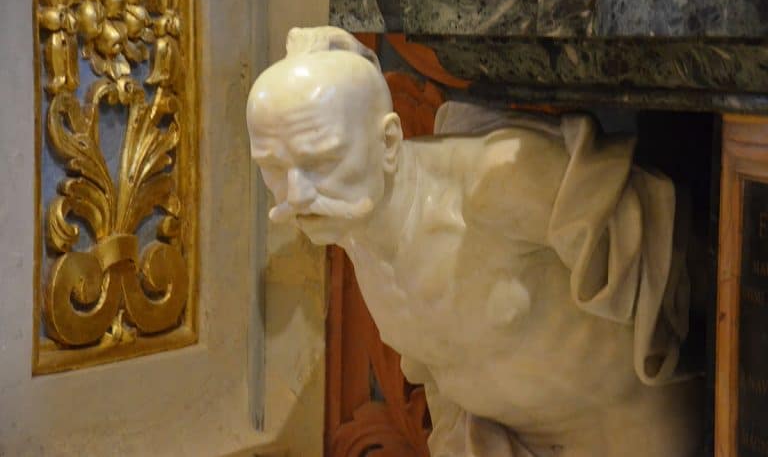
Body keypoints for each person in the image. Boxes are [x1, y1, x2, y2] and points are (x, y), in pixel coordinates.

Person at [246, 27, 701, 457]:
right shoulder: (356, 234)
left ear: (388, 141)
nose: (296, 194)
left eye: (321, 159)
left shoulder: (498, 182)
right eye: (273, 167)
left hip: (638, 437)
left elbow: (683, 264)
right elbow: (444, 372)